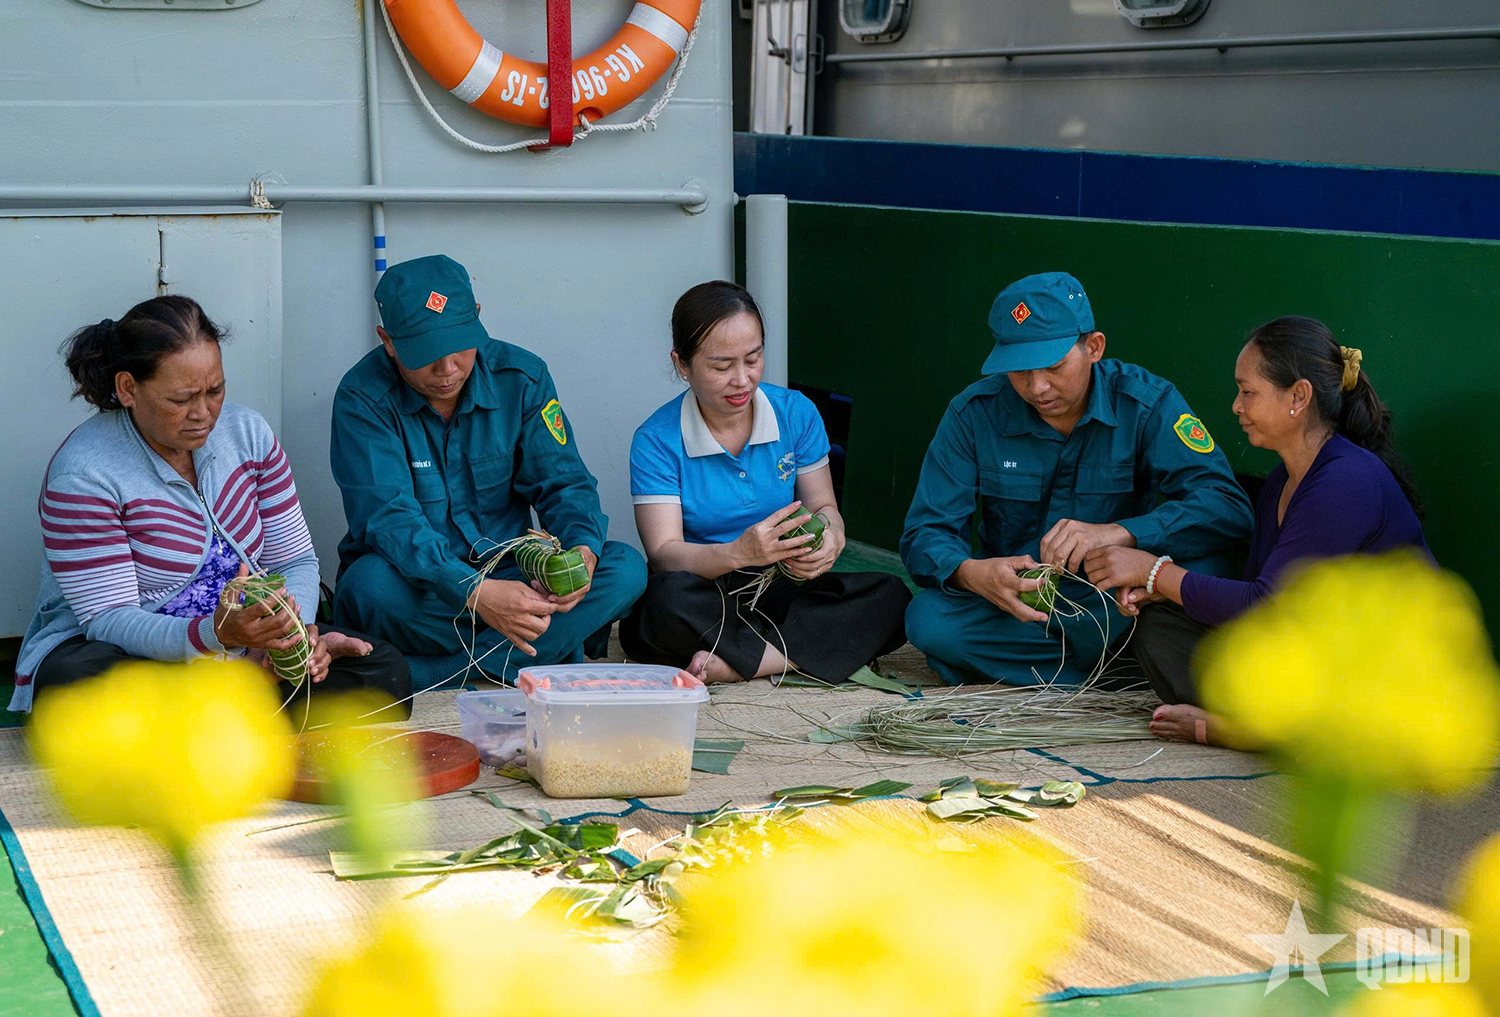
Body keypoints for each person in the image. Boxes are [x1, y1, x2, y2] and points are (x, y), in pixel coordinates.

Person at [11, 296, 409, 715]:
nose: (203, 414)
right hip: (139, 653)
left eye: (215, 391)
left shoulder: (248, 434)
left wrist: (291, 637)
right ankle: (236, 707)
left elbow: (295, 560)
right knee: (79, 686)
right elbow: (109, 619)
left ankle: (221, 712)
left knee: (383, 671)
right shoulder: (84, 475)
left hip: (245, 641)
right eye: (181, 400)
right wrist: (217, 638)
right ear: (128, 388)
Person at [900, 271, 1254, 686]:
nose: (1037, 387)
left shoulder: (1145, 404)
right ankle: (1125, 672)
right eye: (1019, 371)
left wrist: (1121, 533)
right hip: (1028, 606)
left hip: (1121, 600)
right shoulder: (973, 414)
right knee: (929, 621)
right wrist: (972, 574)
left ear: (1093, 347)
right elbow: (925, 533)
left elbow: (1227, 506)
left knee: (1212, 565)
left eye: (1053, 366)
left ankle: (1041, 670)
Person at [1085, 316, 1427, 745]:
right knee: (1162, 626)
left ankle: (1247, 732)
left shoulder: (1346, 480)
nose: (1236, 405)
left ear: (1298, 397)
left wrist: (1153, 572)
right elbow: (1257, 602)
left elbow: (1263, 607)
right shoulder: (1282, 480)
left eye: (1248, 392)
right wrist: (1165, 591)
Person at [330, 255, 646, 681]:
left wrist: (581, 554)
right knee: (368, 587)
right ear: (388, 341)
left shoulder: (522, 377)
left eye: (459, 346)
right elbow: (388, 521)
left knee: (625, 568)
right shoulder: (362, 398)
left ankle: (436, 672)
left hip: (516, 576)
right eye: (425, 355)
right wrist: (474, 592)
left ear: (477, 318)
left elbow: (564, 484)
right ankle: (539, 651)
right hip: (423, 587)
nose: (447, 369)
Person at [619, 281, 910, 683]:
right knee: (661, 607)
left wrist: (829, 539)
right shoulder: (656, 439)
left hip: (782, 584)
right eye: (722, 366)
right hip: (707, 589)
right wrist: (740, 552)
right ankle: (796, 652)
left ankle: (745, 664)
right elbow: (665, 554)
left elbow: (826, 510)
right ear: (682, 364)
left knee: (892, 597)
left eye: (753, 359)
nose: (742, 379)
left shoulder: (795, 413)